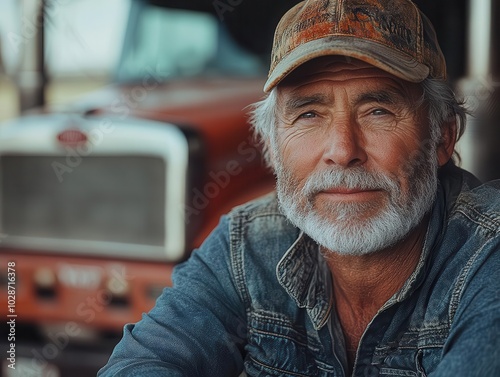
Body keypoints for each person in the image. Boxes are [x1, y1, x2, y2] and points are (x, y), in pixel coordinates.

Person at [98, 0, 500, 376]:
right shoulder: (249, 243)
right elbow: (144, 361)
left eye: (378, 111)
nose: (343, 150)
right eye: (309, 114)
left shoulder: (488, 254)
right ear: (272, 148)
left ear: (443, 138)